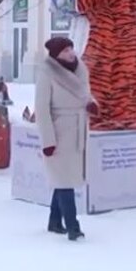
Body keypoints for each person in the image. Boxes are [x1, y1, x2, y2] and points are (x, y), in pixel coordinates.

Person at [35, 36, 99, 241]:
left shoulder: (80, 68)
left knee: (64, 178)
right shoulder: (46, 72)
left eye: (71, 48)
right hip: (59, 132)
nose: (70, 53)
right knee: (64, 180)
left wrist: (91, 103)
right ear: (55, 55)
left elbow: (84, 94)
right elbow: (42, 109)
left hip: (78, 130)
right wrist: (48, 141)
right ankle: (73, 227)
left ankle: (54, 222)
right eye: (65, 51)